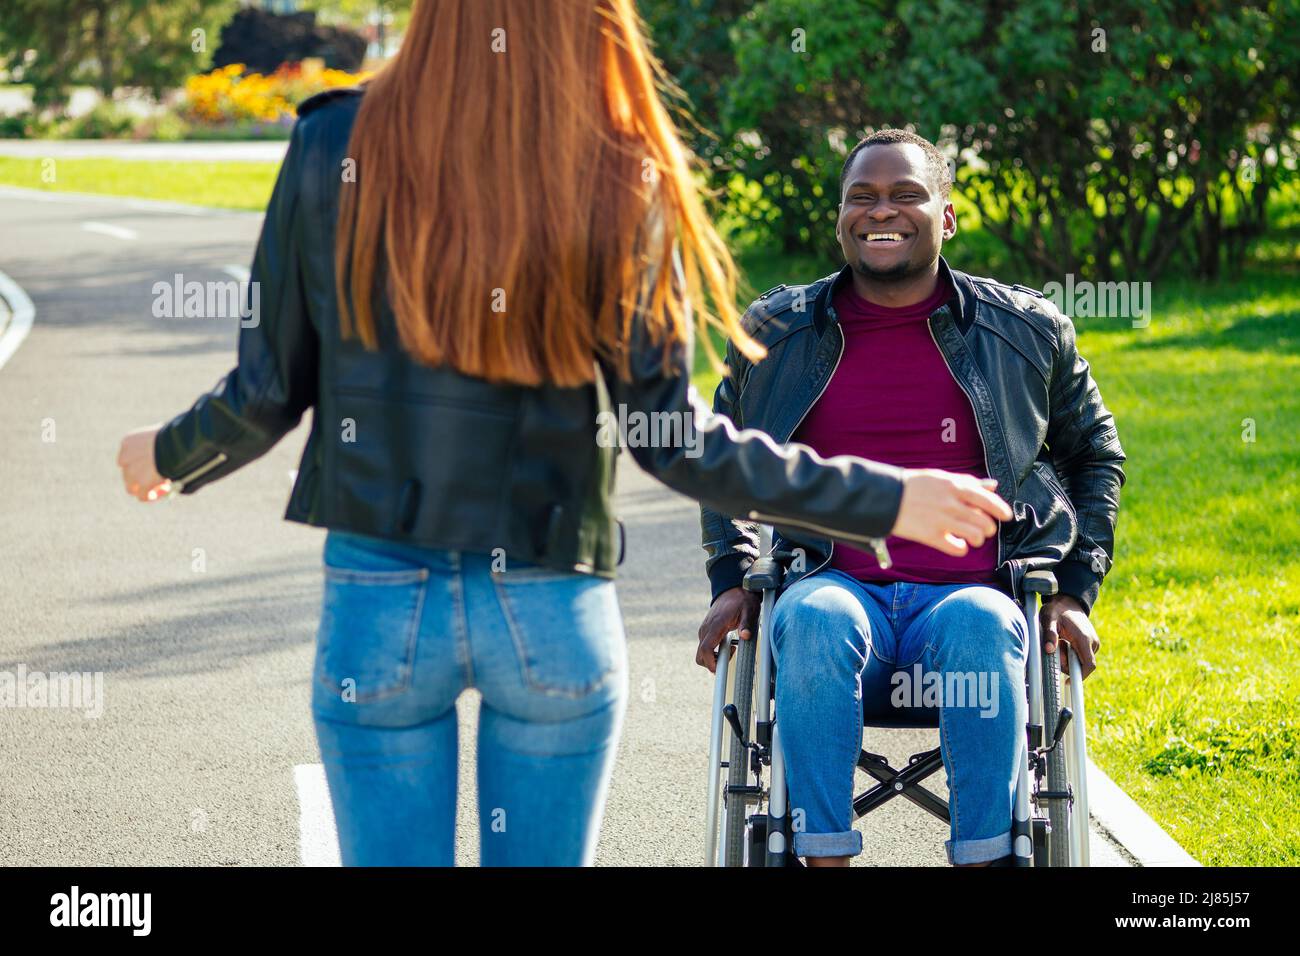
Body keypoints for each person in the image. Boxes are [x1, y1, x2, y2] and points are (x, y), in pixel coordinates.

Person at [116, 4, 1008, 867]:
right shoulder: (619, 164)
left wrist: (168, 452)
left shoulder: (331, 142)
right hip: (549, 602)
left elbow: (267, 392)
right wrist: (887, 498)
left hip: (380, 596)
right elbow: (673, 439)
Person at [695, 128, 1126, 867]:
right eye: (860, 197)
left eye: (904, 194)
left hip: (975, 590)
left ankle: (989, 855)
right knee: (818, 618)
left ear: (946, 216)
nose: (879, 211)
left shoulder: (1025, 330)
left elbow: (1095, 456)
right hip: (832, 584)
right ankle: (820, 856)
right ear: (840, 218)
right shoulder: (775, 331)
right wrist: (732, 581)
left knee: (980, 625)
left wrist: (1075, 591)